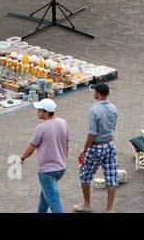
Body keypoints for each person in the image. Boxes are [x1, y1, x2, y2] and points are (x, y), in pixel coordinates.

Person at [21, 98, 69, 213]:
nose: (37, 111)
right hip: (60, 168)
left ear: (46, 112)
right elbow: (66, 145)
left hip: (47, 170)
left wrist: (22, 158)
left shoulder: (41, 128)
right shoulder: (63, 123)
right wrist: (63, 160)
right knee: (46, 194)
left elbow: (30, 149)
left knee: (53, 199)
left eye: (39, 110)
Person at [76, 82, 118, 212]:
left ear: (98, 94)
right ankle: (109, 208)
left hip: (97, 147)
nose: (93, 93)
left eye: (94, 91)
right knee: (111, 177)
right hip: (110, 144)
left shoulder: (94, 110)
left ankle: (87, 203)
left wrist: (84, 149)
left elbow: (92, 133)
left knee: (85, 175)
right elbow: (113, 127)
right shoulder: (113, 108)